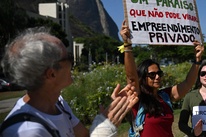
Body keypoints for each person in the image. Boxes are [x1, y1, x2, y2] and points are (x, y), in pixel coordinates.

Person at [0, 27, 139, 137]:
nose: (73, 64)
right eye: (69, 58)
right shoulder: (27, 132)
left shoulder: (58, 103)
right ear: (51, 73)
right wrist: (105, 130)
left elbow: (84, 135)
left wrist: (106, 117)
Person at [120, 21, 204, 137]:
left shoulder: (164, 96)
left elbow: (188, 83)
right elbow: (132, 78)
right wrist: (127, 45)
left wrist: (197, 60)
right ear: (143, 77)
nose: (157, 77)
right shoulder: (138, 98)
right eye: (152, 75)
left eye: (159, 73)